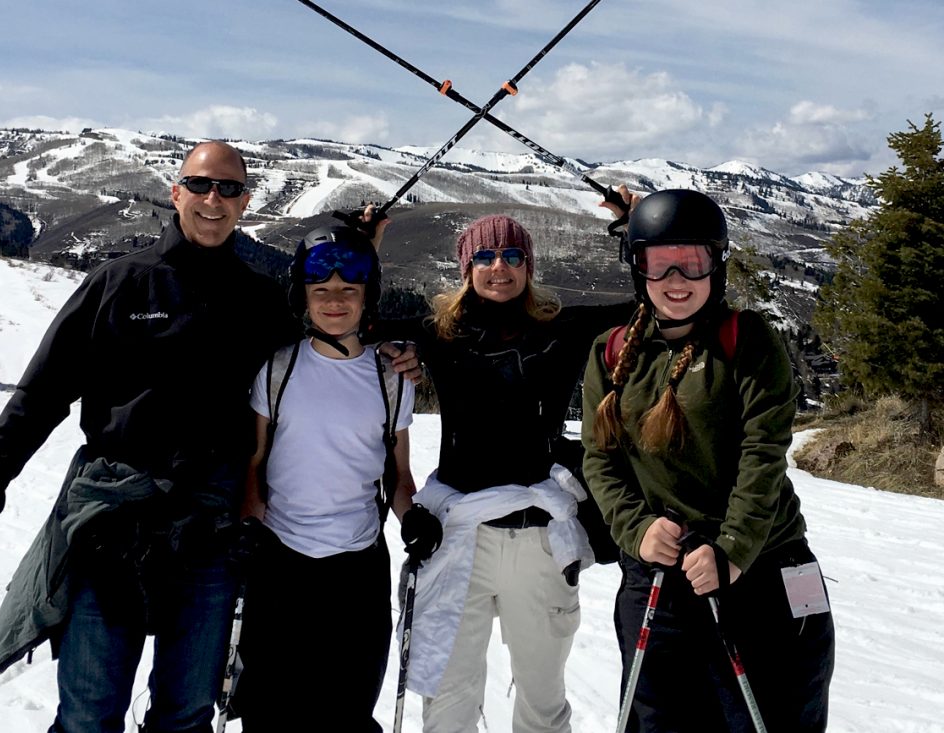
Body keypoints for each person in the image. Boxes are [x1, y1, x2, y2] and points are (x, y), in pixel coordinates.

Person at [0, 140, 296, 733]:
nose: (215, 200)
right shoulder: (121, 282)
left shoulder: (260, 299)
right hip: (113, 518)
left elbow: (312, 373)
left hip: (210, 523)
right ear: (175, 191)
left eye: (230, 189)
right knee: (89, 713)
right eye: (202, 186)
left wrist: (392, 350)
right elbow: (46, 389)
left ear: (246, 202)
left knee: (185, 713)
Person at [581, 189, 835, 732]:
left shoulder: (745, 340)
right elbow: (600, 461)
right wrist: (636, 530)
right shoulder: (613, 352)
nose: (677, 279)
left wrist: (734, 549)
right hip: (660, 576)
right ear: (638, 268)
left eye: (692, 261)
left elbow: (763, 454)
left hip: (761, 569)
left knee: (774, 714)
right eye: (658, 262)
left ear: (715, 264)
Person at [376, 212, 633, 733]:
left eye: (513, 256)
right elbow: (347, 318)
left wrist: (633, 232)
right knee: (448, 702)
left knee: (542, 704)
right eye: (486, 256)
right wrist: (362, 249)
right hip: (455, 537)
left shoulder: (562, 329)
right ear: (466, 266)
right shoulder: (438, 333)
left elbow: (650, 305)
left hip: (537, 539)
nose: (500, 267)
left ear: (528, 266)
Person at [233, 224, 442, 732]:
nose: (334, 301)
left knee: (346, 712)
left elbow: (397, 474)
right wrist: (249, 524)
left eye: (349, 291)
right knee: (270, 710)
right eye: (321, 291)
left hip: (356, 570)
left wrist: (411, 515)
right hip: (281, 561)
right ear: (301, 295)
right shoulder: (277, 370)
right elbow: (255, 463)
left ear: (367, 297)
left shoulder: (390, 376)